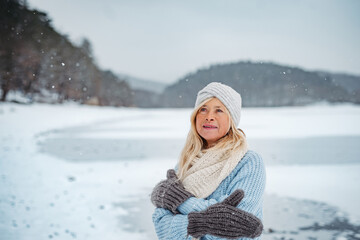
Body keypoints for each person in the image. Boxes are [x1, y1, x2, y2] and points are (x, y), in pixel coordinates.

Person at [150, 82, 266, 240]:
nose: (209, 116)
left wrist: (181, 202)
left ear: (232, 119)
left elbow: (238, 227)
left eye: (219, 110)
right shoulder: (186, 163)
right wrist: (209, 220)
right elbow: (162, 226)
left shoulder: (249, 162)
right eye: (203, 109)